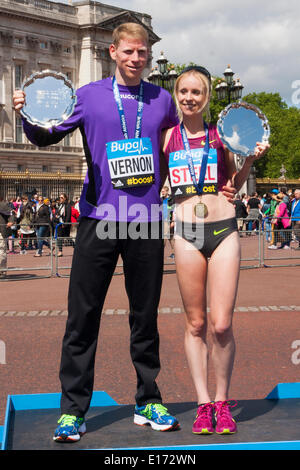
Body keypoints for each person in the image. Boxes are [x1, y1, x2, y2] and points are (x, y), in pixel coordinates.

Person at [13, 22, 181, 442]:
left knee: (145, 317)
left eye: (142, 52)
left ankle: (148, 400)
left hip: (146, 221)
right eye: (128, 52)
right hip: (98, 218)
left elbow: (183, 147)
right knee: (82, 318)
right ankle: (73, 410)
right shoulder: (87, 96)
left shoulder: (162, 99)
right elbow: (45, 136)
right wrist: (26, 114)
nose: (136, 58)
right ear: (113, 52)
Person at [161, 65, 269, 435]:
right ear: (176, 94)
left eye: (197, 92)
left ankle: (223, 402)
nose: (189, 98)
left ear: (207, 98)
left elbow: (235, 185)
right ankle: (203, 402)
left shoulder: (221, 135)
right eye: (183, 91)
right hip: (186, 231)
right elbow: (150, 181)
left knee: (221, 325)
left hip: (223, 229)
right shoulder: (166, 137)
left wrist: (252, 158)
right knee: (196, 324)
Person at [0, 195, 15, 278]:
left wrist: (11, 221)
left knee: (1, 251)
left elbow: (12, 212)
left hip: (1, 231)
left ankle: (2, 271)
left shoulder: (3, 205)